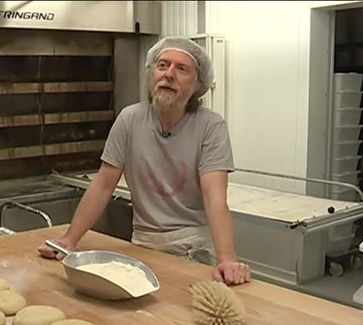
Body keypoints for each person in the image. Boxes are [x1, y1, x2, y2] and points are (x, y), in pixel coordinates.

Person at [39, 36, 251, 286]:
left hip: (194, 250)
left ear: (197, 84)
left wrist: (226, 259)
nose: (169, 74)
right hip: (143, 245)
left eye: (181, 69)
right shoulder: (130, 119)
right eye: (162, 65)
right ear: (152, 75)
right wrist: (69, 240)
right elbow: (103, 185)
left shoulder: (210, 126)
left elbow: (214, 197)